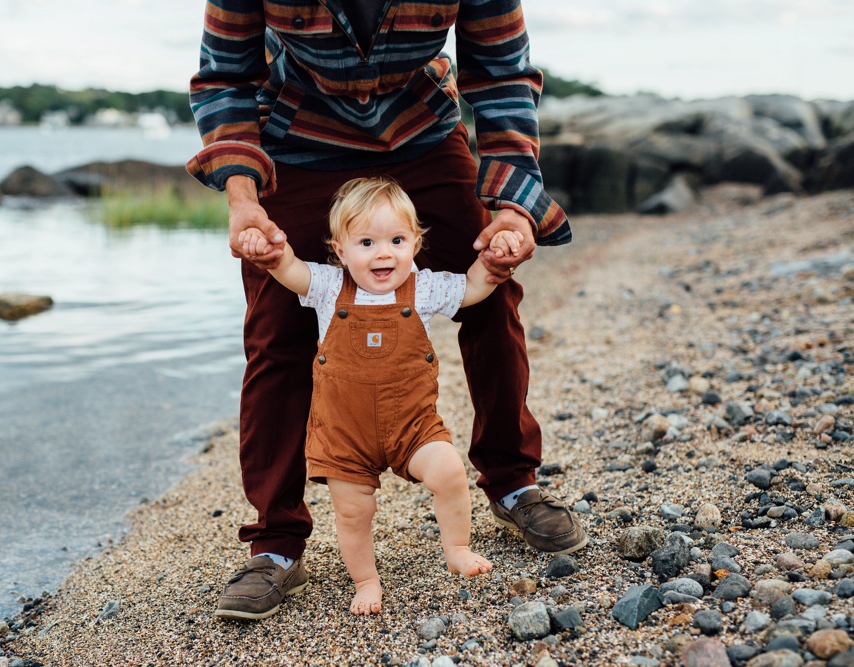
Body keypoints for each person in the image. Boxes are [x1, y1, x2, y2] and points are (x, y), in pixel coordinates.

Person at [188, 0, 588, 621]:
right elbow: (225, 77)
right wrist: (242, 194)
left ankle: (513, 483)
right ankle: (276, 545)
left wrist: (512, 208)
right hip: (296, 139)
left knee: (493, 287)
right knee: (276, 329)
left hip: (422, 134)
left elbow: (502, 74)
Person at [236, 176, 519, 614]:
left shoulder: (424, 288)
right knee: (353, 514)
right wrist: (270, 253)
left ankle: (457, 548)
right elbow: (290, 269)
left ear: (416, 243)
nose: (383, 252)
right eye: (366, 242)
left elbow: (474, 287)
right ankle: (366, 580)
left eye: (397, 240)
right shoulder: (329, 287)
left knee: (448, 473)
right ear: (340, 250)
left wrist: (496, 260)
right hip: (345, 436)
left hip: (413, 426)